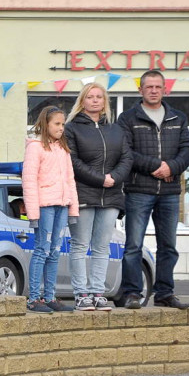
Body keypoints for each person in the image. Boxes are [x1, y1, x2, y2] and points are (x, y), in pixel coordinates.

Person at [116, 70, 189, 310]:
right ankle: (131, 293)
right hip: (139, 190)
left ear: (165, 89)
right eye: (148, 87)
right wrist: (156, 167)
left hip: (170, 192)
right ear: (140, 90)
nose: (153, 91)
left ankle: (165, 293)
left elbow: (188, 149)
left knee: (168, 246)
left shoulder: (178, 117)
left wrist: (171, 167)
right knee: (133, 246)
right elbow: (126, 152)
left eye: (157, 87)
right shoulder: (127, 118)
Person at [65, 84, 132, 312]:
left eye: (99, 97)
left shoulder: (116, 129)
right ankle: (81, 294)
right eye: (90, 97)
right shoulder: (71, 129)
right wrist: (100, 179)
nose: (95, 101)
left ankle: (97, 293)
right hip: (84, 193)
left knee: (102, 247)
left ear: (105, 102)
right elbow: (73, 161)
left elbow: (127, 158)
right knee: (80, 245)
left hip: (111, 196)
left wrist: (114, 178)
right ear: (82, 101)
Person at [22, 107, 79, 314]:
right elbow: (29, 181)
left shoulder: (63, 148)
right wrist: (33, 214)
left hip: (62, 205)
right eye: (57, 124)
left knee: (55, 251)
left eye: (63, 124)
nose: (61, 128)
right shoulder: (35, 147)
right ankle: (34, 298)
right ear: (46, 124)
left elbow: (70, 180)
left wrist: (73, 208)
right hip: (44, 207)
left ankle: (50, 296)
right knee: (42, 249)